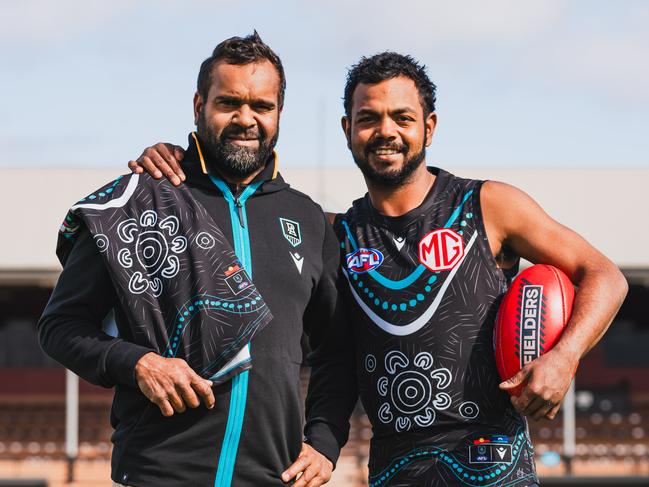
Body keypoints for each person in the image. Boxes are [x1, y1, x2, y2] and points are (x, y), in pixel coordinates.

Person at [128, 53, 628, 486]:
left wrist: (564, 358)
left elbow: (604, 275)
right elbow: (330, 347)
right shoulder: (333, 236)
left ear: (428, 127)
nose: (385, 131)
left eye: (402, 117)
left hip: (492, 464)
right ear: (348, 130)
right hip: (393, 470)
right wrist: (180, 161)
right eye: (369, 118)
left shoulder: (489, 206)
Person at [39, 32, 340, 487]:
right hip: (159, 472)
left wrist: (325, 441)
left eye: (262, 106)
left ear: (279, 112)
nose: (246, 119)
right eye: (229, 103)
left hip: (271, 478)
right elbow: (59, 326)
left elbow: (337, 349)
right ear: (199, 105)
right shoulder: (143, 200)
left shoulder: (309, 219)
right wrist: (139, 363)